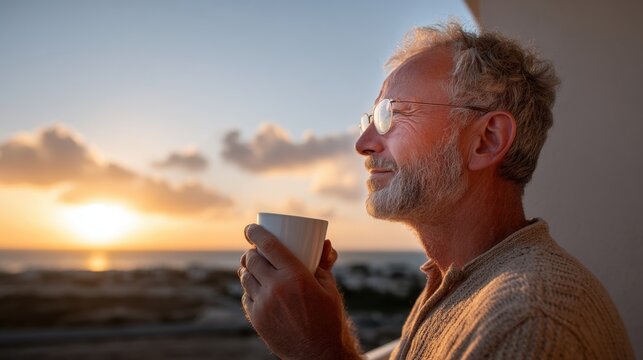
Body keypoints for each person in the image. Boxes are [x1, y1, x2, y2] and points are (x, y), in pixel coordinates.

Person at [237, 22, 634, 359]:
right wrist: (332, 333)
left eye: (391, 114)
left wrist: (314, 349)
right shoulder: (453, 280)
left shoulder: (525, 324)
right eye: (369, 119)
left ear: (487, 140)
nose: (364, 143)